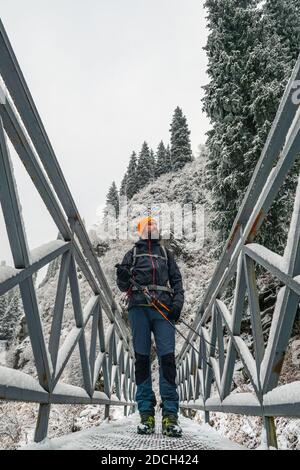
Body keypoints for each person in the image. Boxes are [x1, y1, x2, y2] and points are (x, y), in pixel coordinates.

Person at [115, 216, 184, 437]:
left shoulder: (166, 254)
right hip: (138, 309)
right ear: (141, 231)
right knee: (142, 360)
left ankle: (170, 415)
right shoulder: (132, 254)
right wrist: (122, 275)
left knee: (168, 359)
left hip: (163, 309)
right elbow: (123, 285)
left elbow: (177, 282)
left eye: (154, 225)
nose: (152, 227)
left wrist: (177, 304)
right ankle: (146, 413)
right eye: (147, 225)